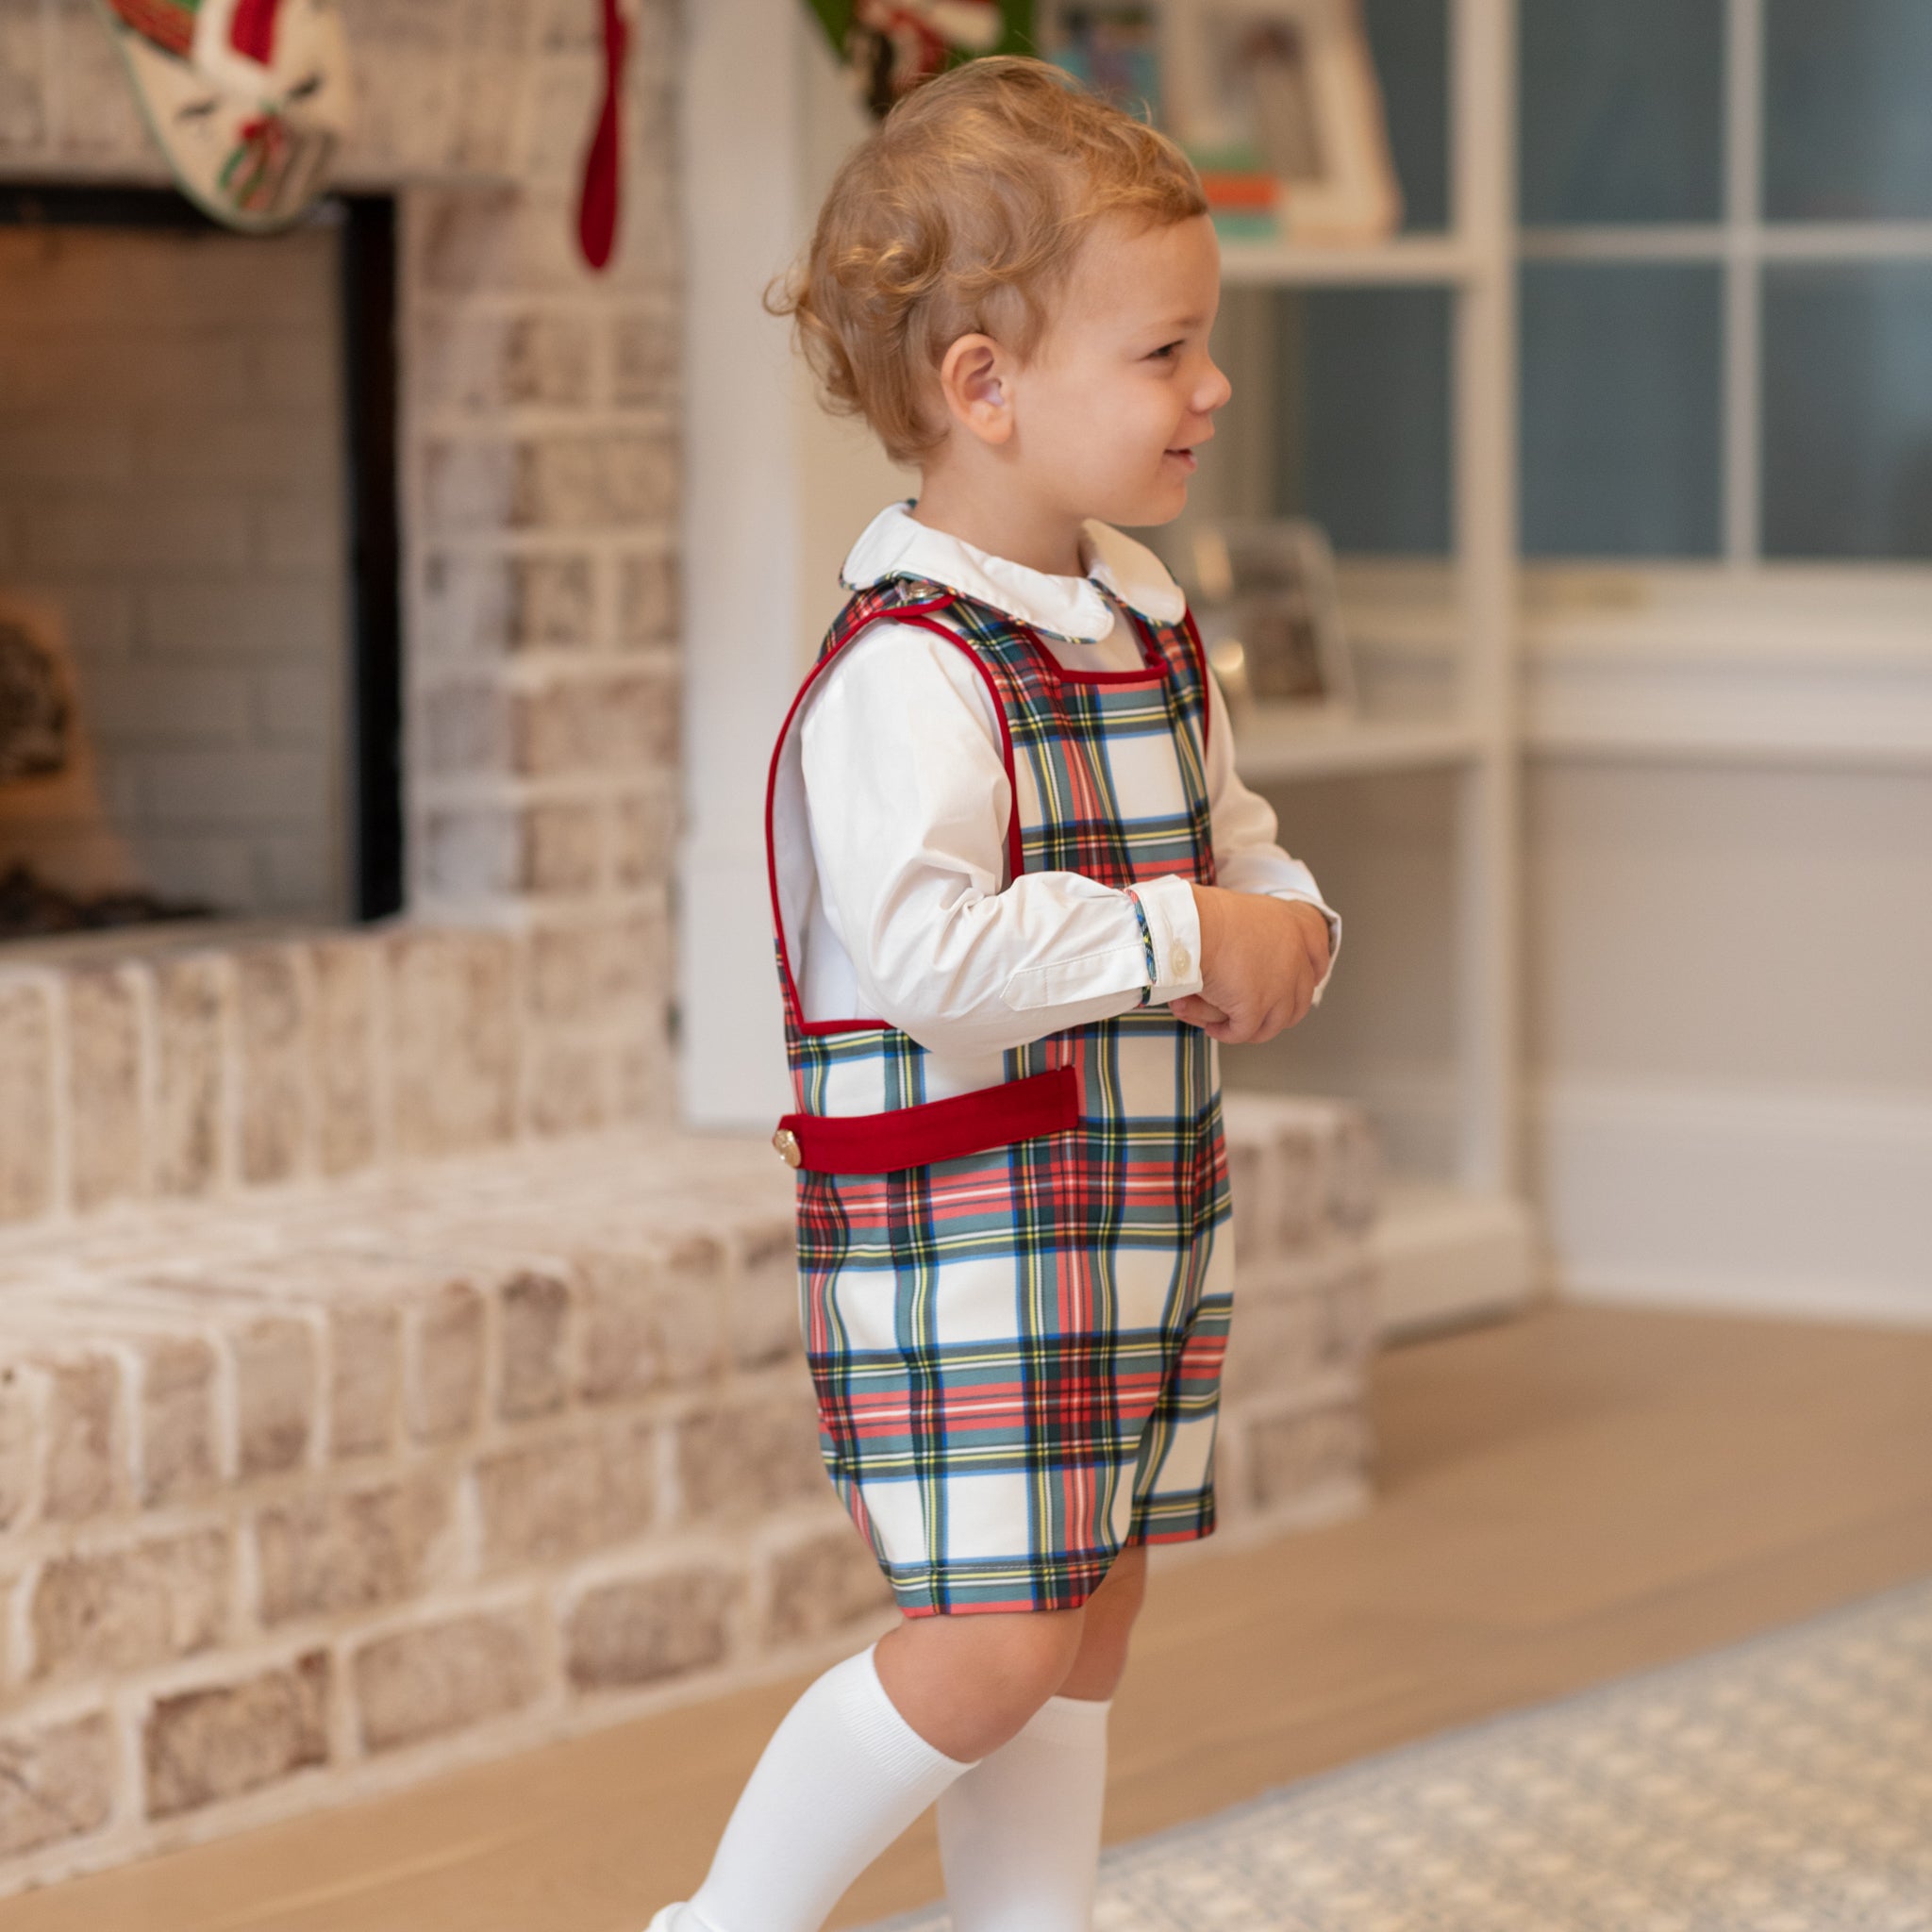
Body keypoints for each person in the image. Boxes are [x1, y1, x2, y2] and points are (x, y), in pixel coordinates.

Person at [651, 54, 1341, 1932]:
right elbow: (929, 962)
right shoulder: (913, 668)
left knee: (1088, 1610)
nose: (1212, 387)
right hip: (968, 1231)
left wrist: (1283, 915)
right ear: (985, 387)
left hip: (1131, 1219)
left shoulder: (1147, 621)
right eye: (1166, 351)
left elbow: (1236, 836)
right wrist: (1187, 937)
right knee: (992, 1639)